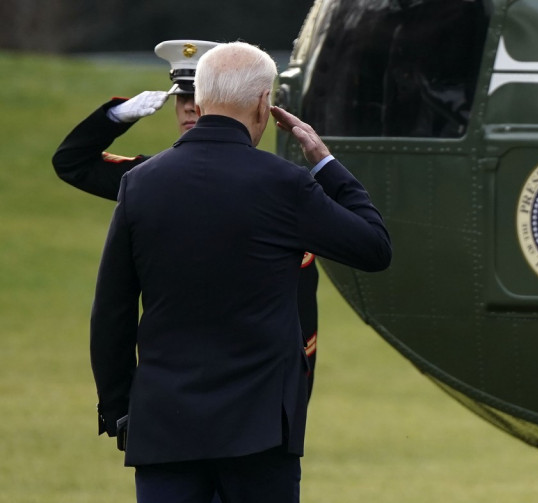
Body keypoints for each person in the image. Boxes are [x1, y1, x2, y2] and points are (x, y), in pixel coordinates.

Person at [89, 41, 392, 502]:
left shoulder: (141, 184)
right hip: (260, 430)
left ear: (202, 98)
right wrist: (324, 162)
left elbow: (111, 311)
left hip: (164, 425)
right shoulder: (284, 184)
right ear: (262, 103)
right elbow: (374, 248)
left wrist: (119, 410)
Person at [52, 40, 321, 397]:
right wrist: (115, 117)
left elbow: (302, 313)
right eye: (182, 98)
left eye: (201, 96)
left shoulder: (284, 188)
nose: (191, 109)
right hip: (173, 385)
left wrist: (295, 397)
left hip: (254, 388)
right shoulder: (148, 182)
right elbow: (72, 163)